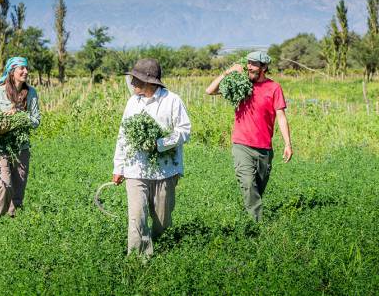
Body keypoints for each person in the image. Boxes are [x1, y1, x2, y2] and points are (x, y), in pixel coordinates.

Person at [113, 58, 191, 256]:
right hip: (135, 169)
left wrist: (159, 144)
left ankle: (161, 250)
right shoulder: (132, 102)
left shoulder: (172, 101)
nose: (132, 83)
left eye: (136, 79)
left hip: (165, 170)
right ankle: (137, 259)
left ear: (149, 81)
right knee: (136, 217)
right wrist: (118, 167)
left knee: (162, 220)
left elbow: (184, 131)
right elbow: (123, 135)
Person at [205, 51, 292, 222]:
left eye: (254, 64)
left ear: (264, 67)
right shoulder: (240, 83)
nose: (249, 67)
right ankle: (257, 225)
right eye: (248, 63)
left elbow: (281, 116)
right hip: (241, 144)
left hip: (264, 148)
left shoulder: (274, 88)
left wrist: (288, 144)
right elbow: (210, 91)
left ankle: (249, 216)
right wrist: (228, 72)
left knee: (256, 189)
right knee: (247, 183)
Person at [0, 57, 40, 218]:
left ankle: (13, 222)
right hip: (0, 147)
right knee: (4, 185)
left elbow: (36, 121)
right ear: (11, 72)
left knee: (18, 189)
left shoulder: (31, 93)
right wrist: (3, 116)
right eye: (21, 68)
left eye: (26, 68)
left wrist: (19, 115)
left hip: (21, 148)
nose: (26, 71)